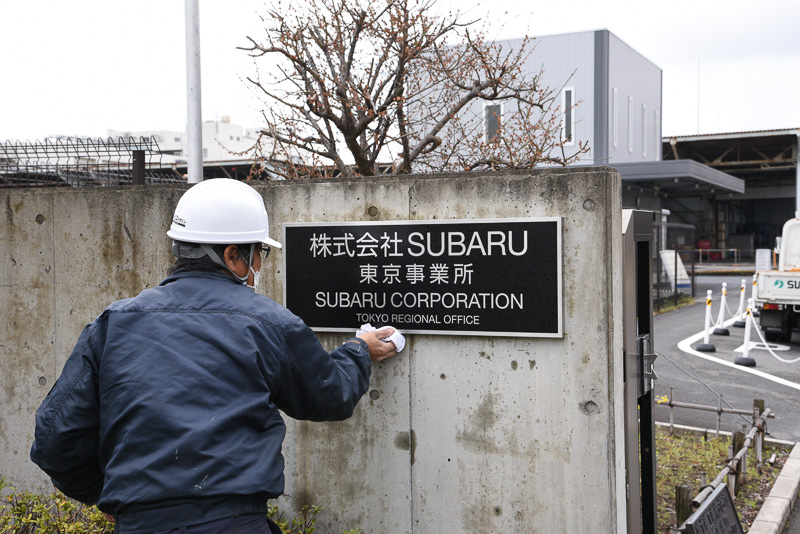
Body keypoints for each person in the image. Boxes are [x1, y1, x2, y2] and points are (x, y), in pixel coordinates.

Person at [30, 178, 398, 534]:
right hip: (232, 523)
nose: (258, 268)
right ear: (232, 255)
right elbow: (328, 395)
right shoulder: (267, 322)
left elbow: (54, 439)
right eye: (259, 254)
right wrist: (359, 351)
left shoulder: (112, 324)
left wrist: (109, 497)